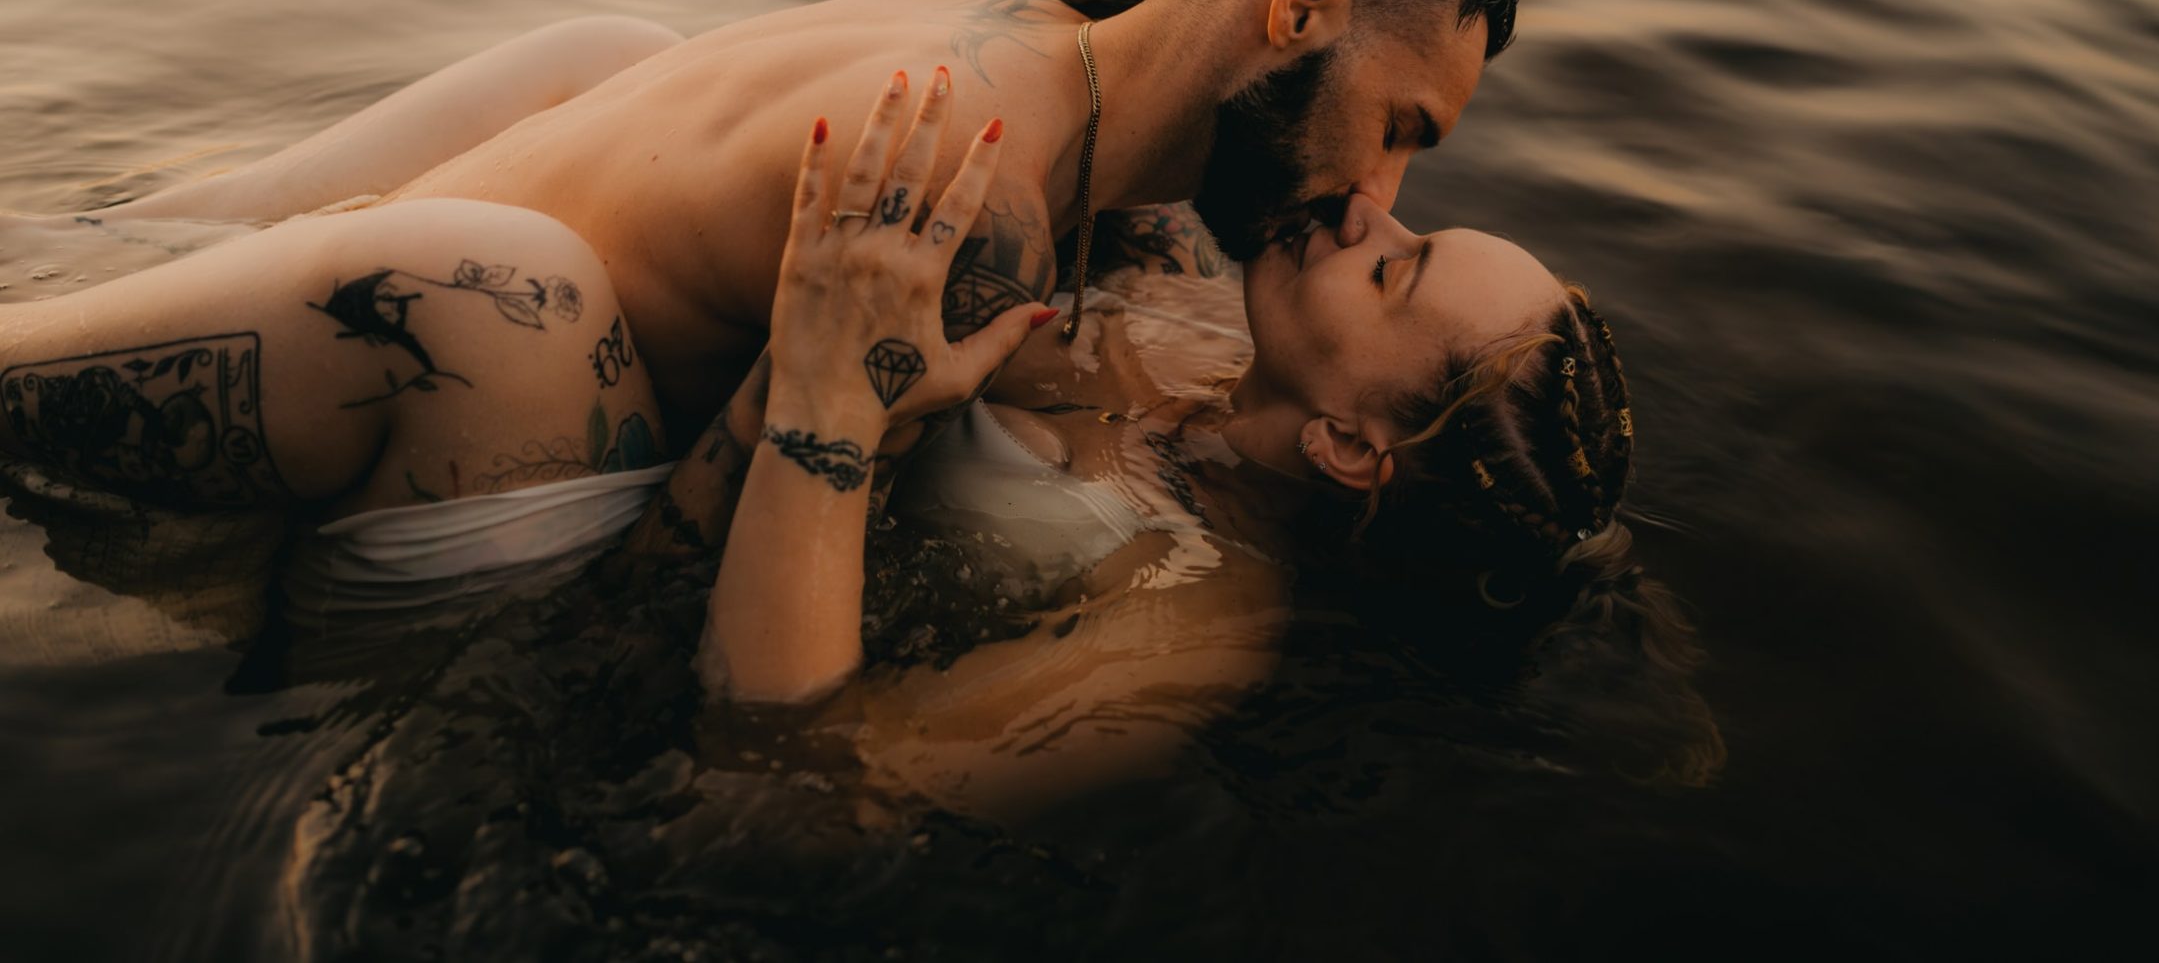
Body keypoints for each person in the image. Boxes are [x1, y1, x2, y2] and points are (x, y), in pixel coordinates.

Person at [0, 71, 1688, 818]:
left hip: (574, 639)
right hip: (698, 456)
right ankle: (89, 253)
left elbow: (783, 783)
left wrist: (821, 394)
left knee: (485, 292)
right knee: (613, 65)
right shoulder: (1191, 305)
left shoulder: (1182, 628)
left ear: (1352, 448)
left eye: (1398, 267)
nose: (1371, 209)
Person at [66, 0, 1521, 459]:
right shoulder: (981, 214)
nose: (1376, 193)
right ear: (1301, 6)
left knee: (619, 52)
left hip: (301, 266)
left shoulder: (990, 7)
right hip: (431, 359)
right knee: (530, 296)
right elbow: (721, 555)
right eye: (1401, 129)